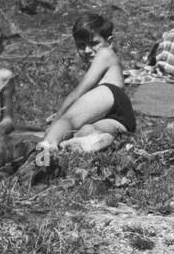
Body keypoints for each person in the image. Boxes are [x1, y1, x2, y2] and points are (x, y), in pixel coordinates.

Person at [35, 12, 135, 163]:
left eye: (93, 43)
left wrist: (57, 121)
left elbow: (77, 94)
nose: (87, 50)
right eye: (81, 45)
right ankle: (93, 140)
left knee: (68, 121)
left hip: (110, 94)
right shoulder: (106, 59)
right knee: (87, 131)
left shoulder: (105, 53)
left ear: (110, 41)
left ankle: (43, 156)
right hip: (122, 117)